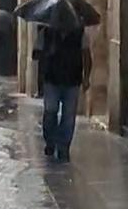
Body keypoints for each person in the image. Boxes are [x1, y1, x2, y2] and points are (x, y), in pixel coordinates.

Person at [37, 26, 92, 163]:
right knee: (50, 111)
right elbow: (36, 54)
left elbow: (86, 55)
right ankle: (50, 141)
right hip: (51, 80)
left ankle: (63, 147)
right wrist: (48, 51)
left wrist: (86, 78)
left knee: (69, 115)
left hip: (72, 81)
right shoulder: (46, 33)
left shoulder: (80, 34)